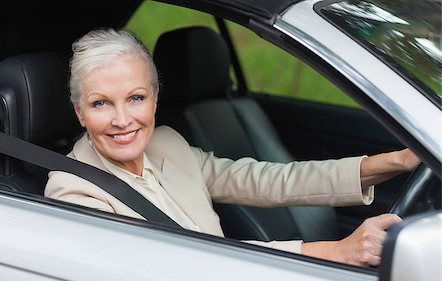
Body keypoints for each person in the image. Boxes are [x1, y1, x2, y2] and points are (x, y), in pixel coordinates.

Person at [44, 28, 420, 267]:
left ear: (156, 99)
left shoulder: (167, 143)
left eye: (136, 98)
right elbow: (184, 269)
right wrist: (335, 252)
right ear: (79, 112)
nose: (123, 119)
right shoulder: (72, 191)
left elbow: (268, 181)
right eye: (100, 103)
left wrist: (395, 161)